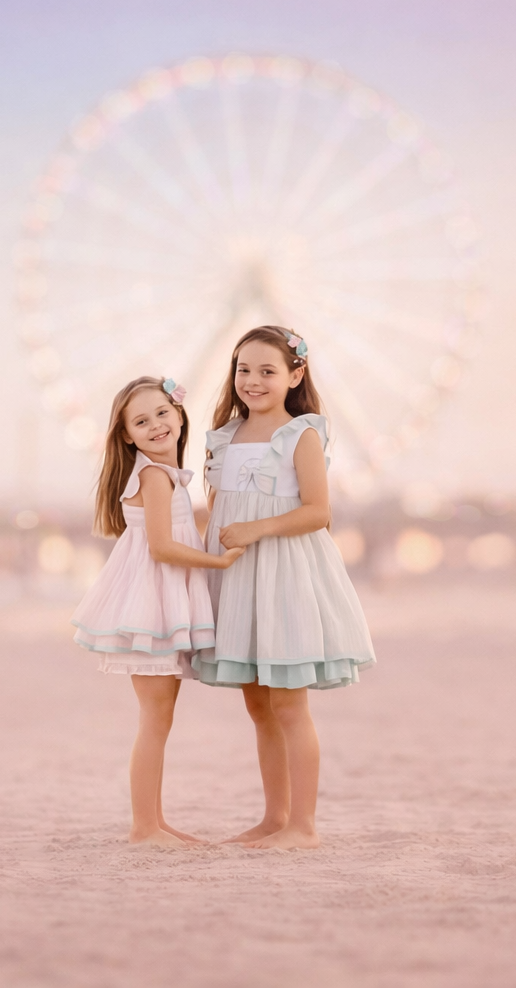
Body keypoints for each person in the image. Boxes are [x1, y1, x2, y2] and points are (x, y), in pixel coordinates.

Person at [195, 326, 375, 849]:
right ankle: (274, 817)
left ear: (295, 376)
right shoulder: (225, 438)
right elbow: (221, 510)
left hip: (284, 576)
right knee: (258, 707)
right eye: (243, 369)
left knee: (290, 706)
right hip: (239, 579)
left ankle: (303, 826)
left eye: (267, 371)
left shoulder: (301, 435)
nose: (252, 381)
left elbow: (318, 512)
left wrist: (257, 529)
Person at [71, 375, 245, 847]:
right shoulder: (154, 476)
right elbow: (163, 547)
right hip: (151, 607)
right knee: (154, 719)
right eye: (142, 421)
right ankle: (144, 827)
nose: (156, 426)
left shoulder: (165, 477)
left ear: (179, 415)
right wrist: (219, 562)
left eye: (163, 413)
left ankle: (154, 821)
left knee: (159, 718)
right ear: (128, 435)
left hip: (156, 601)